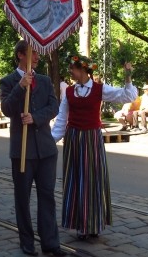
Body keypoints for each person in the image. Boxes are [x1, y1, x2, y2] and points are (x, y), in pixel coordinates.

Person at [52, 54, 137, 240]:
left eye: (73, 68)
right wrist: (50, 141)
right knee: (75, 181)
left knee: (92, 182)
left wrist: (128, 77)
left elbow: (127, 95)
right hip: (74, 139)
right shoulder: (69, 92)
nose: (70, 72)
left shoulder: (100, 89)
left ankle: (93, 224)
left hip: (92, 140)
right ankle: (80, 224)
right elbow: (61, 120)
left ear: (83, 70)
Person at [0, 41, 67, 257]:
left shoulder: (45, 81)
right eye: (33, 53)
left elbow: (53, 106)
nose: (37, 57)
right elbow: (7, 109)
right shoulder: (8, 81)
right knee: (23, 198)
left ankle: (50, 242)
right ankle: (26, 241)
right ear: (21, 55)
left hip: (46, 150)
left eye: (38, 53)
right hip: (22, 150)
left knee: (47, 196)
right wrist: (20, 87)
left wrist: (35, 117)